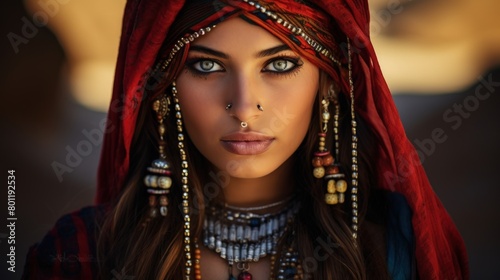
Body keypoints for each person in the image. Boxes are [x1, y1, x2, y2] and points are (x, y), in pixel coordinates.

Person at [22, 0, 469, 279]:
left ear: (329, 83)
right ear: (163, 89)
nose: (243, 104)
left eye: (277, 66)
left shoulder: (391, 253)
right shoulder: (79, 255)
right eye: (207, 66)